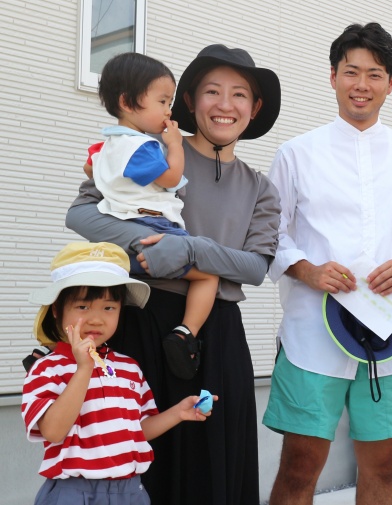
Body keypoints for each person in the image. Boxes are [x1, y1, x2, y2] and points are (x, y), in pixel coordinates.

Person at [65, 44, 281, 505]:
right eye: (212, 91)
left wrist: (189, 250)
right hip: (140, 320)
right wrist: (142, 241)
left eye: (240, 94)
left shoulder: (260, 187)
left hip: (217, 334)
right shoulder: (147, 152)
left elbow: (256, 268)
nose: (225, 105)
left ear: (255, 107)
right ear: (189, 100)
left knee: (214, 465)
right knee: (137, 458)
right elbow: (80, 214)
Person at [263, 22, 392, 505]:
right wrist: (307, 270)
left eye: (374, 74)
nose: (361, 84)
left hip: (389, 335)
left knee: (383, 466)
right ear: (332, 77)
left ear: (391, 83)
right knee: (300, 466)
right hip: (311, 334)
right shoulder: (296, 154)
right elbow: (269, 234)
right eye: (351, 72)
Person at [22, 242, 215, 505]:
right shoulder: (47, 368)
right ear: (57, 309)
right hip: (74, 491)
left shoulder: (128, 367)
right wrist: (84, 369)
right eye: (83, 307)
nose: (96, 319)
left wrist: (177, 413)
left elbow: (137, 430)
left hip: (130, 490)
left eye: (109, 308)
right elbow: (53, 432)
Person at [92, 51, 218, 380]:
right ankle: (186, 333)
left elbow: (91, 170)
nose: (168, 110)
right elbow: (172, 177)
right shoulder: (143, 147)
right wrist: (174, 144)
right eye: (162, 101)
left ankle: (52, 346)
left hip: (119, 232)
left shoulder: (106, 146)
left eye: (170, 102)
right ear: (127, 101)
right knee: (209, 274)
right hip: (154, 227)